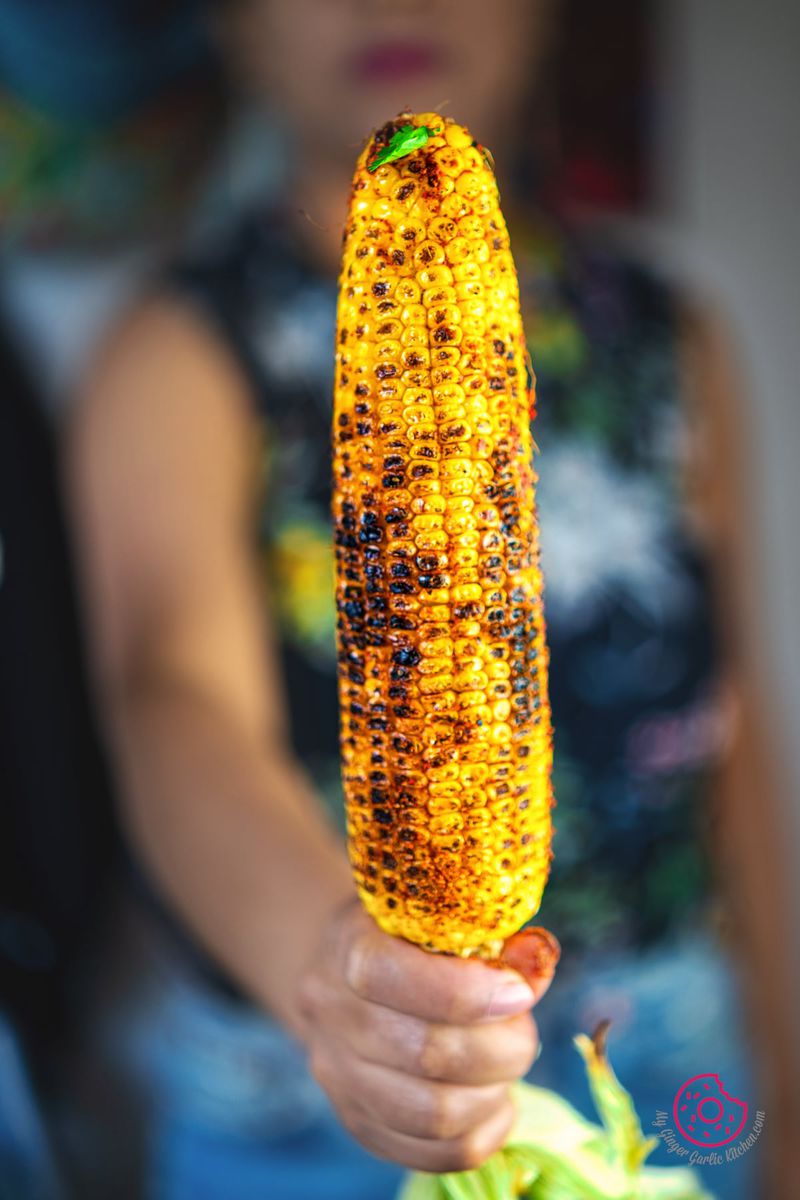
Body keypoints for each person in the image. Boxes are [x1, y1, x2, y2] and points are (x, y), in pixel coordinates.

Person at [60, 1, 797, 1197]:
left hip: (668, 1048)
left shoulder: (669, 338)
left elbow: (729, 723)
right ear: (232, 24)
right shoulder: (176, 355)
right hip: (315, 1075)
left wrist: (785, 1067)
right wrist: (337, 974)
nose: (391, 1)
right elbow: (172, 703)